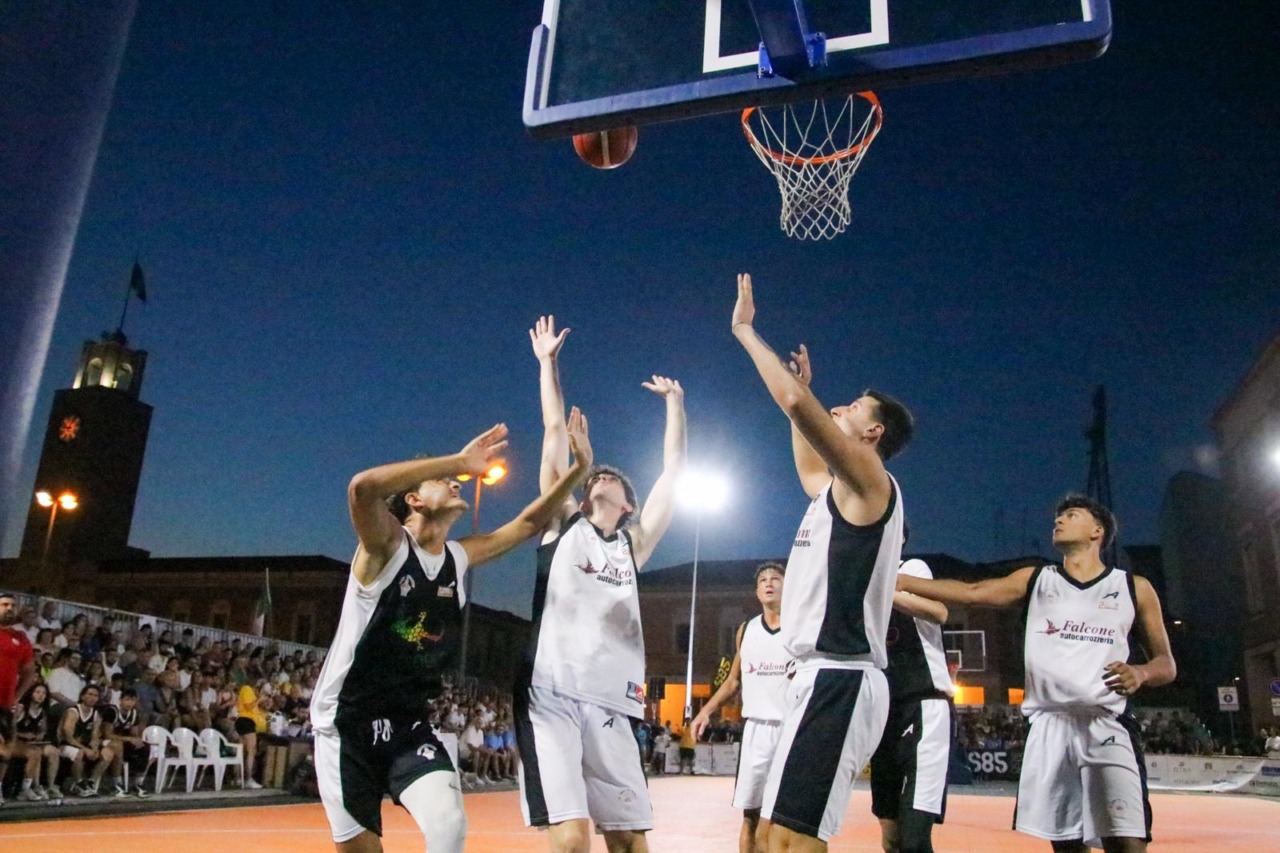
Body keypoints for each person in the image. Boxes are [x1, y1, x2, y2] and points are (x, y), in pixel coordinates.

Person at [311, 417, 594, 853]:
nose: (459, 484)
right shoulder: (386, 547)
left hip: (409, 723)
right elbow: (361, 489)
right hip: (346, 723)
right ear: (414, 500)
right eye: (444, 482)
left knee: (448, 825)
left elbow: (527, 522)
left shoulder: (456, 561)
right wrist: (460, 460)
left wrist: (578, 470)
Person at [731, 273, 912, 851]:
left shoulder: (872, 481)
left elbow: (791, 399)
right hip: (812, 677)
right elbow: (810, 464)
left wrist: (745, 332)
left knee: (795, 842)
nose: (837, 406)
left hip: (842, 674)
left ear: (873, 432)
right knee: (770, 836)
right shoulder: (835, 491)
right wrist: (802, 412)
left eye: (852, 407)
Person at [897, 495, 1177, 853]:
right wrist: (900, 579)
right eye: (1058, 516)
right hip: (1049, 726)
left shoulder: (1133, 587)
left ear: (1097, 530)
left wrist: (1140, 672)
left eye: (1071, 515)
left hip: (1107, 724)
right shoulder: (1037, 579)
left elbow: (1166, 664)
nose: (1058, 520)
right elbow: (972, 592)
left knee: (1126, 840)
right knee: (1066, 845)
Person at [516, 316, 686, 853]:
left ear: (627, 503)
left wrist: (675, 406)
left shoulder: (632, 545)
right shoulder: (561, 524)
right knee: (570, 840)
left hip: (614, 704)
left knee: (630, 841)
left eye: (608, 478)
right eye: (594, 477)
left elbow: (674, 472)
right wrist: (548, 364)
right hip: (553, 693)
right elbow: (551, 435)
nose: (598, 478)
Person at [691, 562, 790, 853]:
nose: (769, 583)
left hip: (790, 730)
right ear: (757, 590)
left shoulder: (802, 628)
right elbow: (733, 681)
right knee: (750, 816)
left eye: (776, 578)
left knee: (783, 818)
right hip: (755, 731)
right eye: (763, 580)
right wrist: (705, 711)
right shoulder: (746, 631)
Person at [869, 551, 953, 853]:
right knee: (891, 837)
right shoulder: (857, 574)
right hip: (882, 712)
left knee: (914, 839)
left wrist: (882, 591)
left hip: (923, 702)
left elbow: (939, 612)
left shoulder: (910, 568)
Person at [59, 683, 117, 797]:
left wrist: (95, 748)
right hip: (66, 744)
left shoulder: (96, 714)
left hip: (84, 744)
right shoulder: (73, 712)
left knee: (108, 753)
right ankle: (78, 783)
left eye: (95, 695)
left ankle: (91, 782)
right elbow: (68, 737)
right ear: (82, 696)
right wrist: (85, 749)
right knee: (79, 753)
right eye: (90, 694)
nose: (92, 697)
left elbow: (95, 735)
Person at [12, 683, 62, 800]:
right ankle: (29, 787)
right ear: (31, 693)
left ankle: (50, 785)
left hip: (33, 742)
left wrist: (39, 735)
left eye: (43, 693)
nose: (41, 695)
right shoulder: (21, 708)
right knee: (35, 753)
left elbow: (43, 730)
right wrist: (23, 734)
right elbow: (10, 729)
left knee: (54, 751)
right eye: (38, 692)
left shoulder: (42, 712)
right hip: (17, 741)